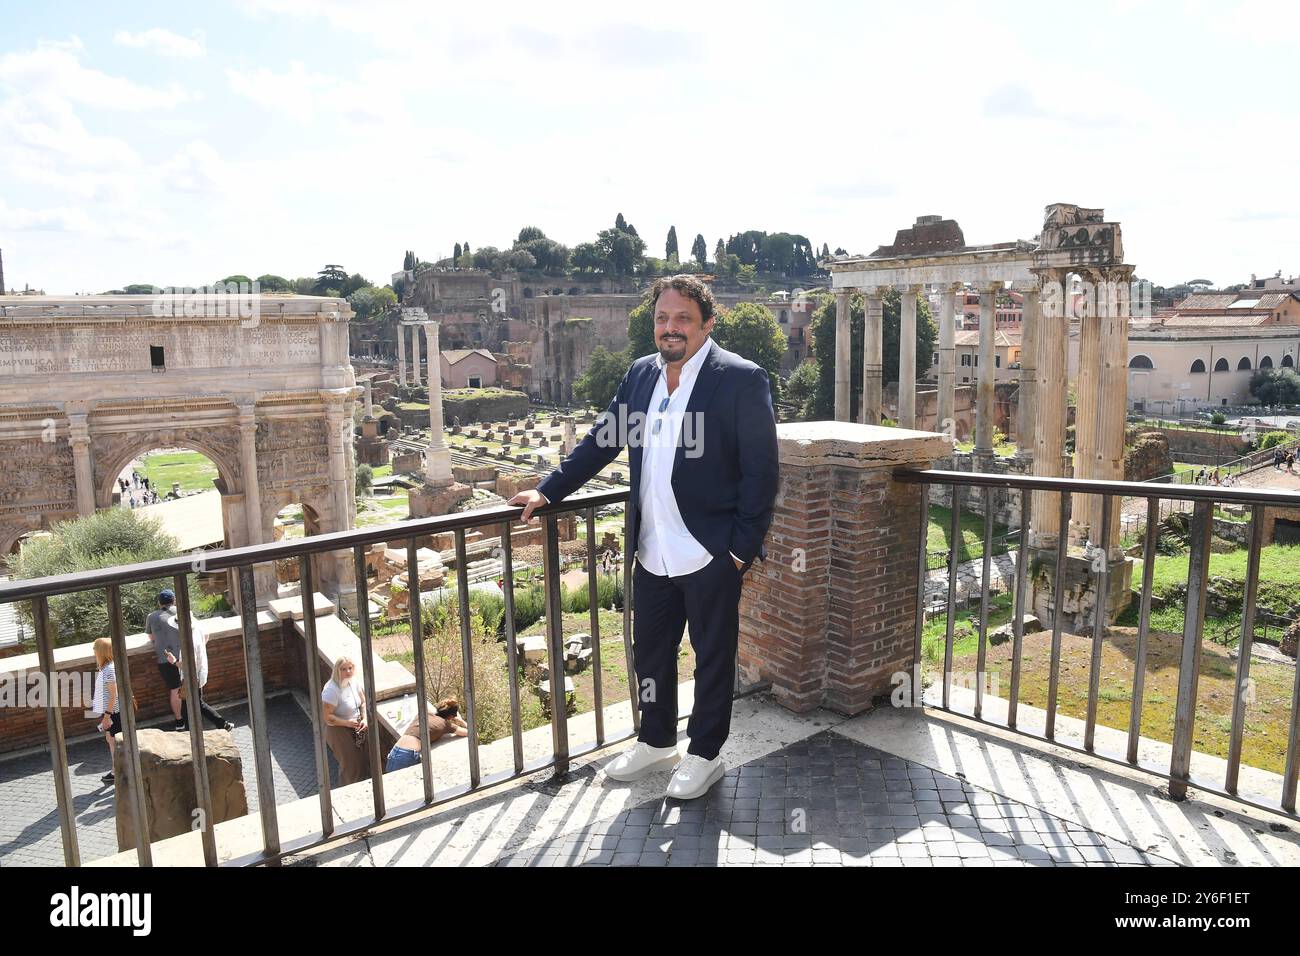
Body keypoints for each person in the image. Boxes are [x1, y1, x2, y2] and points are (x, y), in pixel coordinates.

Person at [509, 274, 779, 801]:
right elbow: (602, 441)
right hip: (652, 549)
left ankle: (704, 754)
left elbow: (761, 474)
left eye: (682, 318)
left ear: (706, 324)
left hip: (709, 551)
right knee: (650, 654)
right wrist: (547, 491)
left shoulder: (740, 379)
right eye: (662, 318)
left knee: (712, 657)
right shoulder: (640, 376)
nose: (670, 328)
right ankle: (656, 740)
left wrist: (738, 552)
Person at [165, 615, 234, 732]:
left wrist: (174, 661)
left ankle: (192, 732)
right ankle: (222, 724)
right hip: (199, 674)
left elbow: (189, 665)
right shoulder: (198, 629)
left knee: (190, 706)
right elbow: (207, 636)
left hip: (192, 678)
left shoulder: (189, 641)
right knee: (196, 704)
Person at [321, 656, 371, 786]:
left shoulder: (354, 682)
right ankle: (348, 792)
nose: (348, 672)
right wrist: (347, 723)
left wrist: (365, 718)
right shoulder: (331, 690)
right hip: (338, 729)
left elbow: (363, 702)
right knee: (350, 764)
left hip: (356, 725)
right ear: (337, 670)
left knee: (362, 760)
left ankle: (363, 787)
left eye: (350, 668)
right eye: (343, 669)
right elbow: (327, 717)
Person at [384, 697, 468, 773]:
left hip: (394, 751)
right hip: (407, 755)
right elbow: (473, 734)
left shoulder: (424, 712)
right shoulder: (446, 724)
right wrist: (461, 721)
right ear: (451, 717)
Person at [145, 589, 185, 730]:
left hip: (164, 658)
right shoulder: (181, 611)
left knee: (175, 690)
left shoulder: (151, 617)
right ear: (173, 600)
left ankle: (179, 721)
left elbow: (151, 638)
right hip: (183, 656)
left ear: (159, 603)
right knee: (192, 686)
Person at [91, 637, 121, 785]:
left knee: (114, 741)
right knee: (111, 740)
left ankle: (117, 771)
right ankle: (116, 770)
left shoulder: (108, 670)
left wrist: (107, 716)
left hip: (113, 712)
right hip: (112, 712)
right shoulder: (107, 668)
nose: (94, 651)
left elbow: (113, 694)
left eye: (95, 648)